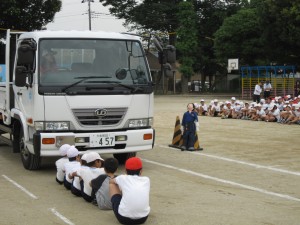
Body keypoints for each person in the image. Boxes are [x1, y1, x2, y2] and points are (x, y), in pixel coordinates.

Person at [109, 157, 150, 225]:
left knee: (112, 184)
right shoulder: (146, 180)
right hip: (143, 218)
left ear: (125, 171)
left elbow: (111, 181)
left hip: (124, 219)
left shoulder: (122, 178)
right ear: (141, 171)